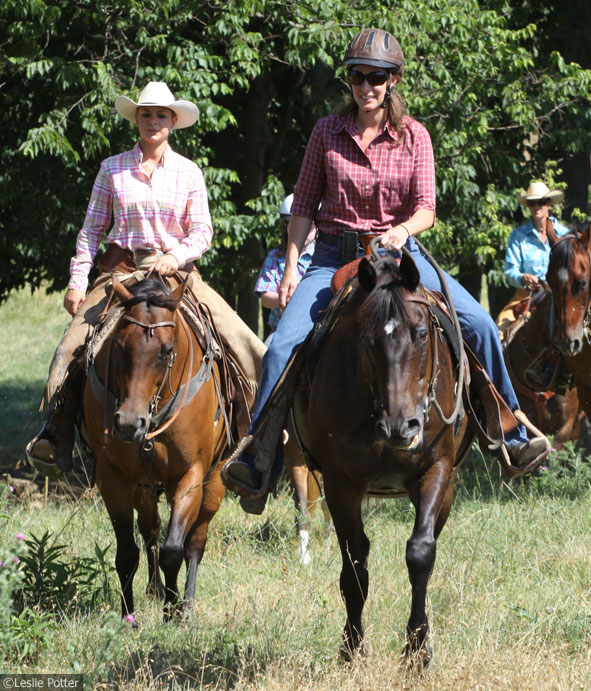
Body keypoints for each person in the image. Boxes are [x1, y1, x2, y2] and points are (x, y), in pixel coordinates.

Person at [224, 28, 549, 494]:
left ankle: (510, 434)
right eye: (357, 76)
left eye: (376, 77)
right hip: (334, 255)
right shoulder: (325, 132)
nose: (366, 86)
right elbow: (303, 207)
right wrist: (294, 264)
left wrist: (401, 230)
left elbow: (426, 209)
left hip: (402, 256)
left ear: (393, 79)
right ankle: (260, 455)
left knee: (477, 323)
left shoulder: (415, 135)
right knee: (280, 347)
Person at [26, 81, 266, 476]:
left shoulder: (189, 172)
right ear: (136, 118)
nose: (153, 121)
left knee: (242, 343)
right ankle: (55, 434)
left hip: (177, 275)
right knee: (71, 346)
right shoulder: (112, 169)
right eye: (145, 114)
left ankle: (251, 443)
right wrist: (77, 279)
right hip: (121, 274)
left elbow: (202, 231)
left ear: (173, 122)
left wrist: (175, 256)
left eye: (160, 115)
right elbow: (90, 231)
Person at [497, 181, 569, 341]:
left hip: (558, 295)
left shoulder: (565, 235)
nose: (536, 206)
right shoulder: (518, 235)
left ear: (549, 204)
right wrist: (522, 278)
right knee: (499, 331)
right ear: (528, 206)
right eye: (532, 203)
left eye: (541, 202)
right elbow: (510, 271)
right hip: (526, 295)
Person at [254, 194, 316, 346]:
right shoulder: (274, 257)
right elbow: (266, 298)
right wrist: (289, 300)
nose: (305, 230)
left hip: (316, 328)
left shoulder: (322, 258)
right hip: (281, 328)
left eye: (311, 226)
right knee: (266, 356)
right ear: (286, 226)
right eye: (296, 225)